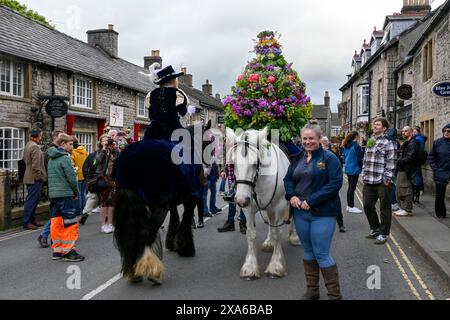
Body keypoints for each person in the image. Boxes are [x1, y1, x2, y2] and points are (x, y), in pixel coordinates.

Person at [284, 123, 344, 300]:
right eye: (305, 139)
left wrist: (311, 200)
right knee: (308, 252)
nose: (308, 142)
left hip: (323, 213)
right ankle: (312, 290)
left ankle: (335, 295)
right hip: (300, 213)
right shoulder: (297, 158)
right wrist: (292, 196)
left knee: (321, 253)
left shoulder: (329, 158)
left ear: (319, 139)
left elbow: (335, 184)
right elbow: (288, 179)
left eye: (311, 138)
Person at [48, 134, 84, 262]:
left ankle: (57, 251)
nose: (72, 146)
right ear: (62, 144)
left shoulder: (52, 157)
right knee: (70, 222)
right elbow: (71, 178)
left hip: (54, 194)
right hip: (65, 193)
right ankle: (68, 251)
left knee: (56, 222)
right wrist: (76, 192)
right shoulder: (64, 158)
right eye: (70, 144)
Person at [362, 118, 396, 245]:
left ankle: (384, 233)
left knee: (385, 208)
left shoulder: (388, 143)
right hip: (368, 179)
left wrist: (387, 179)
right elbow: (365, 159)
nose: (375, 126)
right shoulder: (371, 140)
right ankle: (375, 228)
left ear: (384, 128)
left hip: (382, 181)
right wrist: (363, 173)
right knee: (367, 205)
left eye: (378, 124)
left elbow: (391, 162)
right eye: (374, 124)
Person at [143, 65, 188, 141]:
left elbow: (151, 115)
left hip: (154, 129)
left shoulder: (151, 94)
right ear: (173, 80)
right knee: (190, 144)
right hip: (173, 127)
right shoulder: (177, 93)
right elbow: (183, 112)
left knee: (143, 145)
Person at [38, 130, 64, 248]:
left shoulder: (60, 150)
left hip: (60, 186)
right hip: (55, 186)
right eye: (61, 137)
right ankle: (44, 235)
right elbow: (50, 169)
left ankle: (53, 235)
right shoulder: (52, 152)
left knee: (58, 213)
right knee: (57, 213)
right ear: (55, 138)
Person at [320, 137, 346, 233]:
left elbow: (336, 168)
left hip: (330, 184)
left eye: (321, 144)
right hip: (323, 183)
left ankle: (340, 224)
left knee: (335, 204)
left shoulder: (331, 155)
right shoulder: (320, 155)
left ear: (325, 144)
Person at [23, 129, 47, 230]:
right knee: (32, 201)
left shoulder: (28, 144)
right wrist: (39, 176)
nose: (41, 138)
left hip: (29, 176)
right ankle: (27, 222)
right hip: (34, 178)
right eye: (40, 136)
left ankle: (32, 220)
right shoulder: (35, 147)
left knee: (33, 200)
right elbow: (36, 165)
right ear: (37, 136)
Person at [96, 134, 119, 234]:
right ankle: (103, 225)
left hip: (112, 179)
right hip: (102, 179)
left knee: (112, 203)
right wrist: (104, 149)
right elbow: (98, 161)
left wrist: (113, 149)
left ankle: (110, 223)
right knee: (104, 202)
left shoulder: (114, 151)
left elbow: (118, 160)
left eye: (107, 141)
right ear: (100, 142)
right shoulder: (99, 152)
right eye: (103, 141)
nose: (106, 142)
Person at [395, 127, 419, 217]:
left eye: (406, 131)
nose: (403, 133)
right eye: (403, 131)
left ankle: (407, 209)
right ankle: (403, 208)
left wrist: (398, 161)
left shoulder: (413, 143)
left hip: (407, 169)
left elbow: (410, 157)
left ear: (411, 132)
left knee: (406, 189)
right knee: (400, 190)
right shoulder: (408, 142)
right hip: (402, 168)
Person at [428, 124, 450, 219]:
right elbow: (431, 157)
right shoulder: (437, 142)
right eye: (444, 131)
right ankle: (440, 213)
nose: (446, 133)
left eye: (449, 131)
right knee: (440, 195)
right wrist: (435, 169)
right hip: (441, 171)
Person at [218, 164, 247, 234]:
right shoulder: (228, 152)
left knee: (241, 199)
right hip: (231, 173)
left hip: (242, 172)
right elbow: (225, 158)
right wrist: (224, 170)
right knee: (231, 199)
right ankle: (230, 223)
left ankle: (243, 223)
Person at [342, 131, 364, 214]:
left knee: (350, 187)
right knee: (352, 187)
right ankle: (351, 206)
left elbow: (344, 156)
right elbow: (360, 157)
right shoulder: (356, 146)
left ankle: (349, 206)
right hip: (354, 168)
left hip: (348, 168)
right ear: (355, 136)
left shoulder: (346, 145)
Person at [71, 137, 89, 216]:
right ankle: (84, 210)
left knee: (78, 194)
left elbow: (72, 164)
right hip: (85, 174)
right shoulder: (85, 151)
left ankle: (78, 211)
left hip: (77, 175)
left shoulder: (73, 152)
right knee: (83, 193)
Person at [385, 128, 400, 212]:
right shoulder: (396, 142)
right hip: (393, 167)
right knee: (392, 185)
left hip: (389, 167)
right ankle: (393, 204)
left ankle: (391, 202)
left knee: (390, 185)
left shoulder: (386, 141)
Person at [413, 126, 427, 199]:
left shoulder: (418, 139)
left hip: (417, 159)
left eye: (414, 132)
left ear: (418, 131)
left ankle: (418, 189)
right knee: (419, 174)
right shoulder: (420, 138)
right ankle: (420, 189)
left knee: (417, 175)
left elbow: (417, 150)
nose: (413, 133)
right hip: (419, 158)